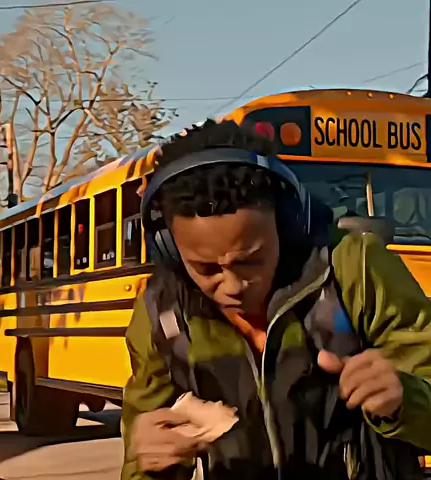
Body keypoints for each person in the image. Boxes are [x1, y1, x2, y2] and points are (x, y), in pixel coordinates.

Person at [121, 119, 431, 480]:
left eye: (251, 260)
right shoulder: (162, 315)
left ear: (286, 224)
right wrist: (151, 462)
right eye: (206, 269)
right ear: (169, 248)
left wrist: (403, 400)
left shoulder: (354, 269)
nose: (233, 286)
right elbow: (146, 448)